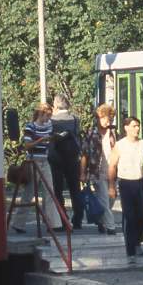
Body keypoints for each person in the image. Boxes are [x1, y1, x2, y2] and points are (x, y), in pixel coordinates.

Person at [108, 115, 143, 264]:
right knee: (129, 217)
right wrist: (111, 186)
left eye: (138, 126)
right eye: (133, 126)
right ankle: (130, 250)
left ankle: (138, 243)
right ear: (126, 128)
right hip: (126, 183)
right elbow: (112, 166)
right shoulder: (120, 145)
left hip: (141, 183)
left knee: (141, 216)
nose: (137, 129)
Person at [12, 103, 64, 233]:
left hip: (44, 160)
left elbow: (49, 138)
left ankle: (53, 224)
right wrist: (41, 140)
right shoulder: (30, 127)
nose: (49, 118)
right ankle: (18, 223)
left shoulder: (49, 125)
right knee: (29, 193)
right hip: (33, 161)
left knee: (49, 191)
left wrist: (54, 138)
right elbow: (27, 145)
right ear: (41, 114)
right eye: (48, 115)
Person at [80, 103, 118, 234]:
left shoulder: (113, 133)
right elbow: (84, 154)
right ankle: (111, 227)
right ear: (99, 118)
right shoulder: (91, 133)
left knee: (111, 199)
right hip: (97, 172)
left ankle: (101, 221)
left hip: (112, 171)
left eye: (111, 120)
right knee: (104, 199)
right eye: (107, 119)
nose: (109, 122)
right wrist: (83, 173)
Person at [48, 94, 84, 229]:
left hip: (55, 157)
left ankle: (63, 219)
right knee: (75, 189)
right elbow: (77, 135)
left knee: (57, 189)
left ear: (55, 105)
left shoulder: (51, 120)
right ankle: (78, 218)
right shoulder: (75, 119)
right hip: (72, 158)